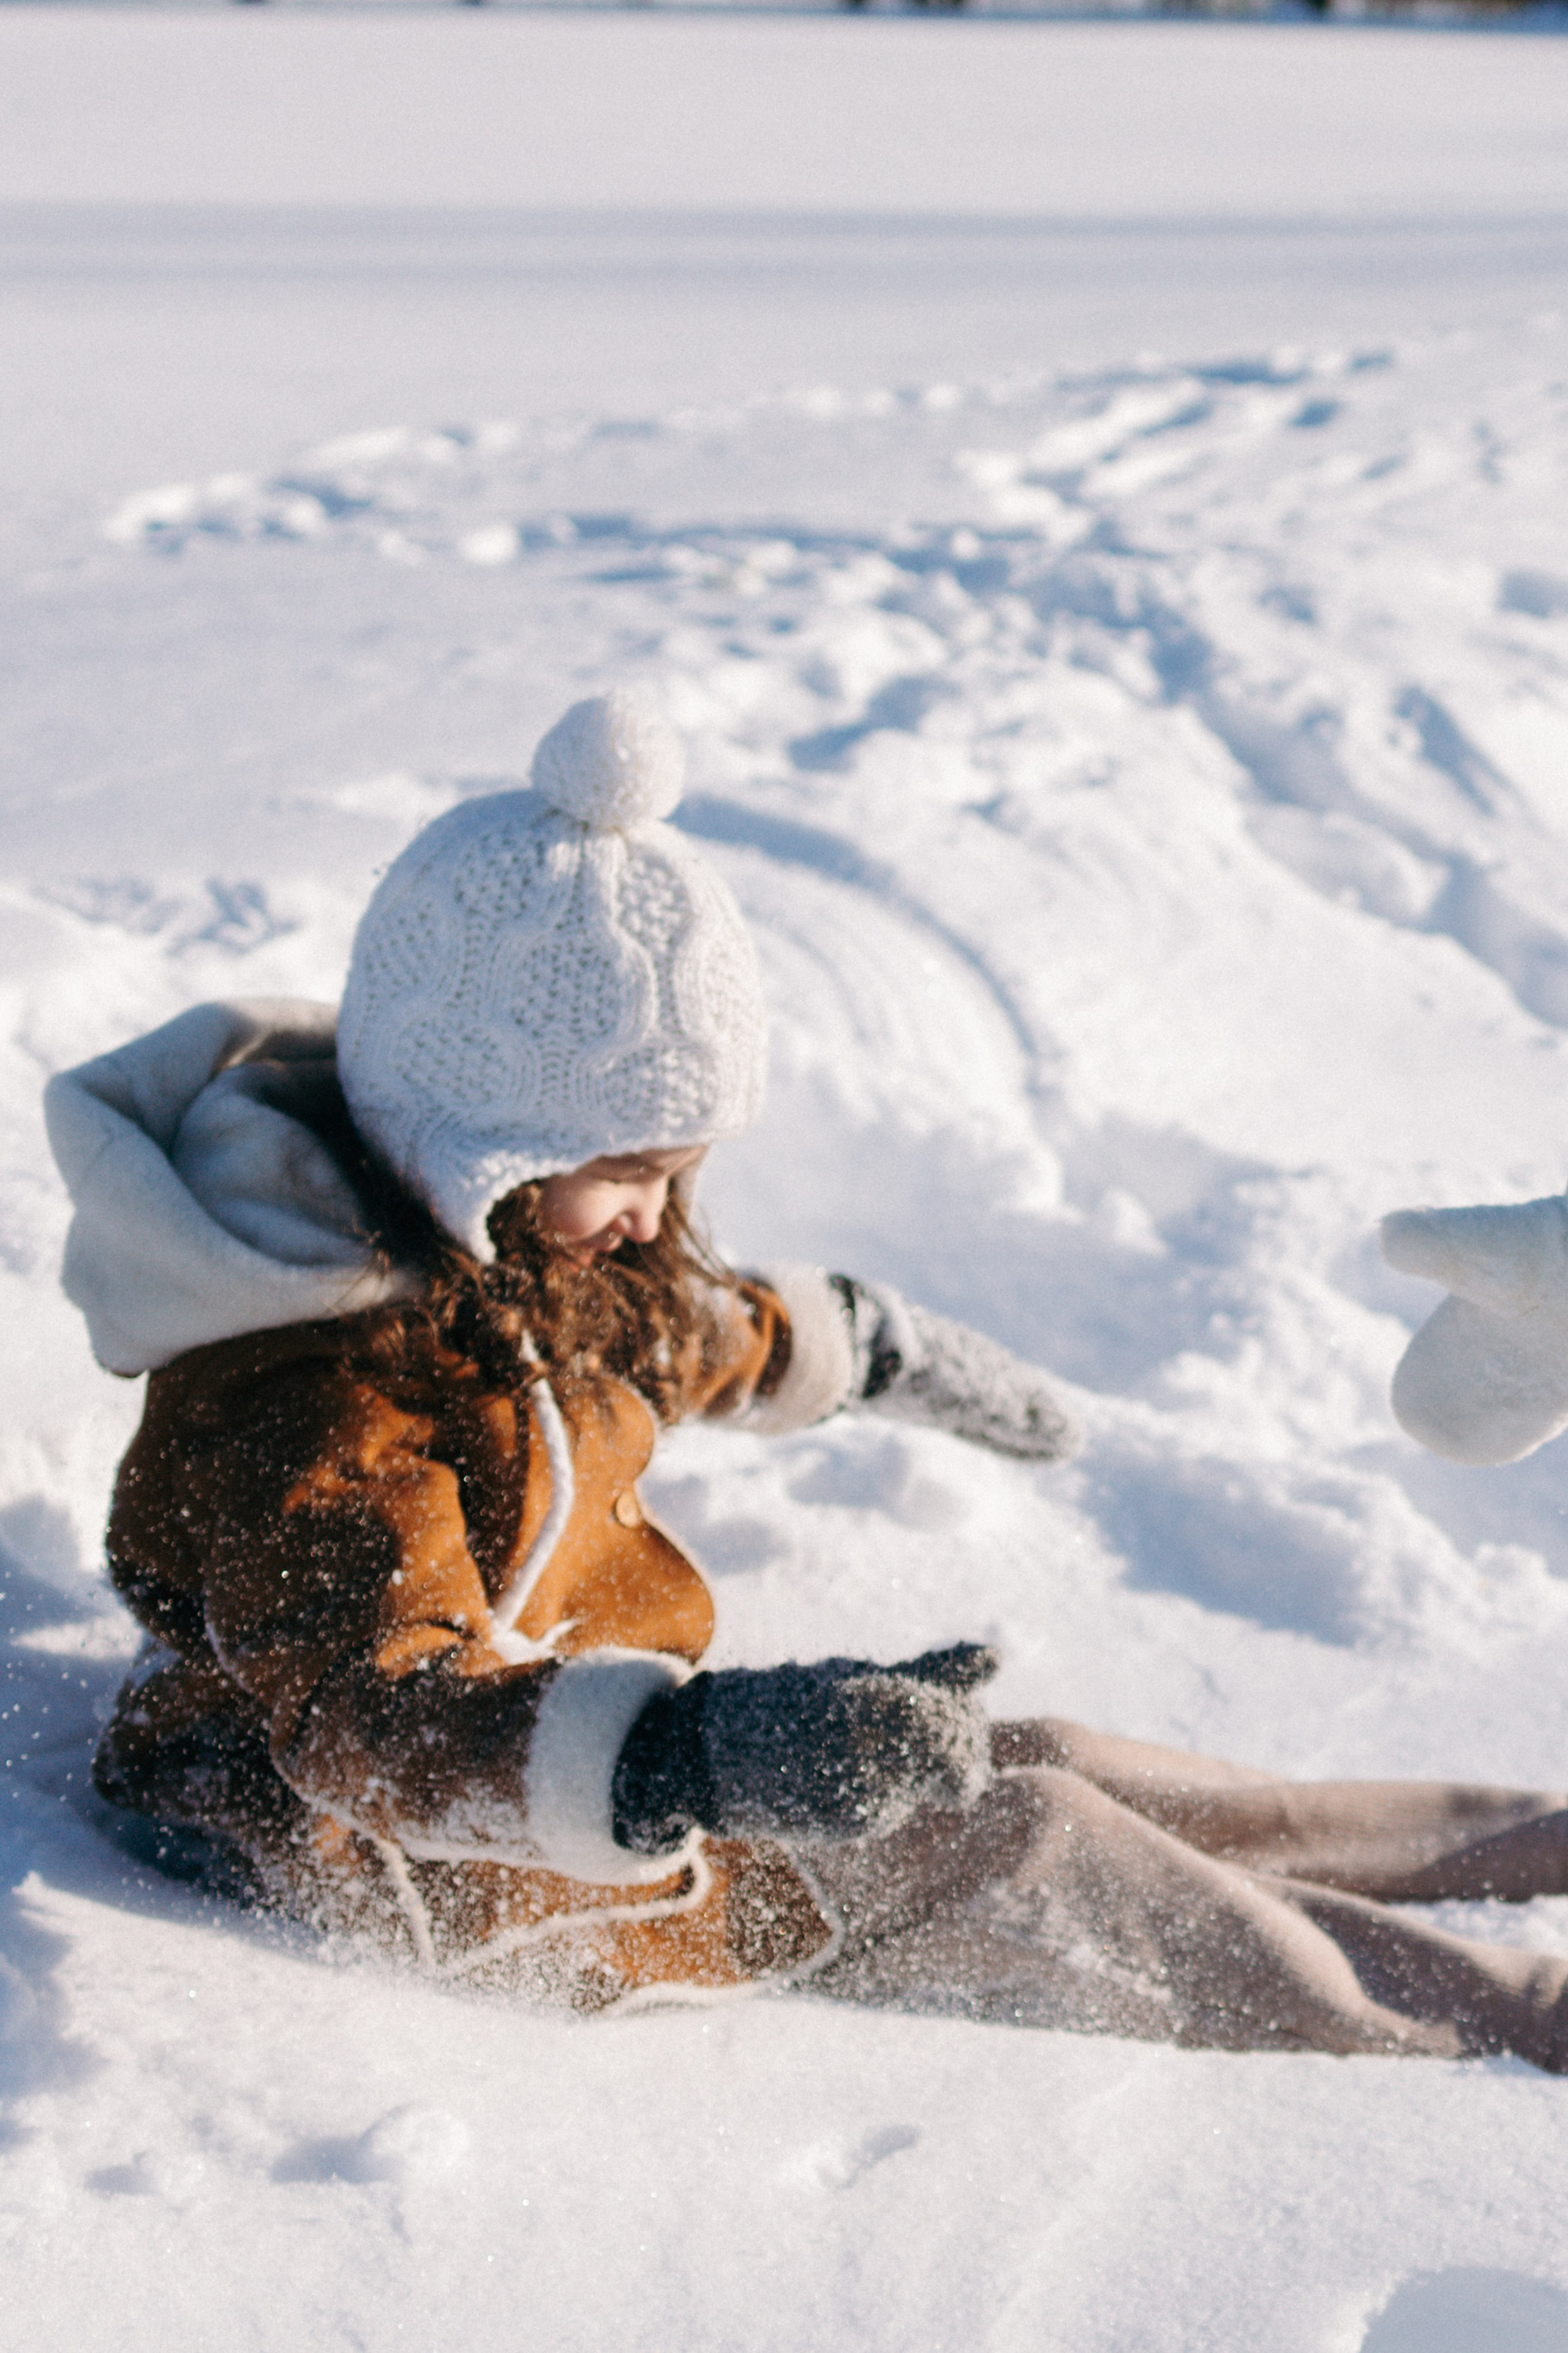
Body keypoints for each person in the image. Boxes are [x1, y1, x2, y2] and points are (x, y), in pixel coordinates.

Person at [43, 690, 1568, 2064]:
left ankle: (1534, 1835)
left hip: (588, 1743)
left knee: (1048, 1756)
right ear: (477, 1137)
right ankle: (1508, 2019)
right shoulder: (304, 1397)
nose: (651, 1212)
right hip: (443, 1841)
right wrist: (693, 1755)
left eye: (677, 1169)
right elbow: (374, 1721)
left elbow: (679, 1326)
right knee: (1022, 1829)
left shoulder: (522, 1250)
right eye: (627, 1168)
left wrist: (866, 1349)